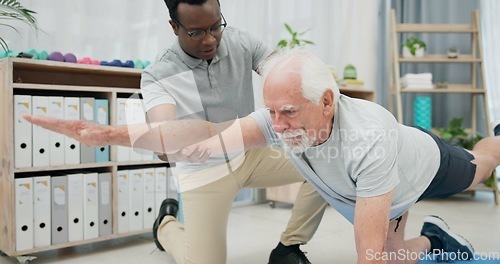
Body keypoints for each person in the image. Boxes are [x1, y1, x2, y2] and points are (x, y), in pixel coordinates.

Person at [24, 48, 500, 263]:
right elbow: (207, 136)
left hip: (424, 161)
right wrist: (111, 132)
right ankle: (436, 240)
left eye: (289, 112)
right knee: (396, 255)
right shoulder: (280, 119)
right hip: (389, 175)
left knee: (478, 169)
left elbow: (366, 258)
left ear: (328, 102)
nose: (279, 124)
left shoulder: (369, 140)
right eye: (272, 112)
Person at [139, 0, 328, 263]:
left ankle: (289, 247)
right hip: (203, 172)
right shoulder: (159, 73)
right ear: (174, 27)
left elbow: (284, 76)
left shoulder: (242, 42)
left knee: (325, 162)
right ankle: (166, 227)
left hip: (250, 157)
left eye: (216, 27)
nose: (209, 40)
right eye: (196, 32)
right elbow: (162, 143)